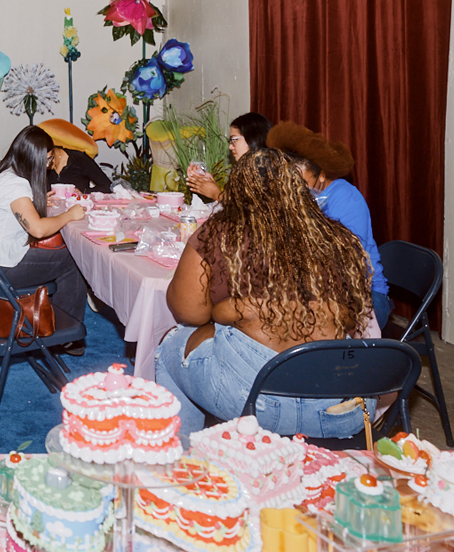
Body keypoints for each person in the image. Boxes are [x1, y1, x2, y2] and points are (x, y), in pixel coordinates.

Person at [155, 149, 374, 442]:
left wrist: (231, 312)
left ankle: (183, 466)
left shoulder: (220, 232)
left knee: (171, 343)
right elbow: (351, 314)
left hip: (254, 403)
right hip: (340, 405)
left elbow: (189, 313)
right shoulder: (335, 236)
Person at [266, 121, 392, 327]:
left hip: (364, 294)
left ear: (321, 175)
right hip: (313, 287)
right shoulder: (292, 197)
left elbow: (347, 261)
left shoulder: (346, 198)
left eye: (302, 182)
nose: (296, 189)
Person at [0, 126, 90, 329]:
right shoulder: (15, 184)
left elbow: (10, 205)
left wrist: (31, 201)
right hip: (2, 268)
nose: (49, 165)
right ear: (34, 159)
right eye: (47, 159)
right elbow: (37, 230)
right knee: (75, 258)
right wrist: (69, 215)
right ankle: (68, 329)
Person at [186, 112, 272, 201]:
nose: (230, 147)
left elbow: (249, 210)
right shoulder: (247, 169)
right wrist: (210, 183)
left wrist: (216, 194)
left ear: (253, 138)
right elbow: (238, 201)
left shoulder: (270, 172)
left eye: (234, 140)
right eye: (230, 142)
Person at [47, 146, 112, 195]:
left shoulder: (80, 159)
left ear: (51, 152)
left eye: (48, 160)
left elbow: (107, 186)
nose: (46, 165)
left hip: (79, 209)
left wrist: (84, 192)